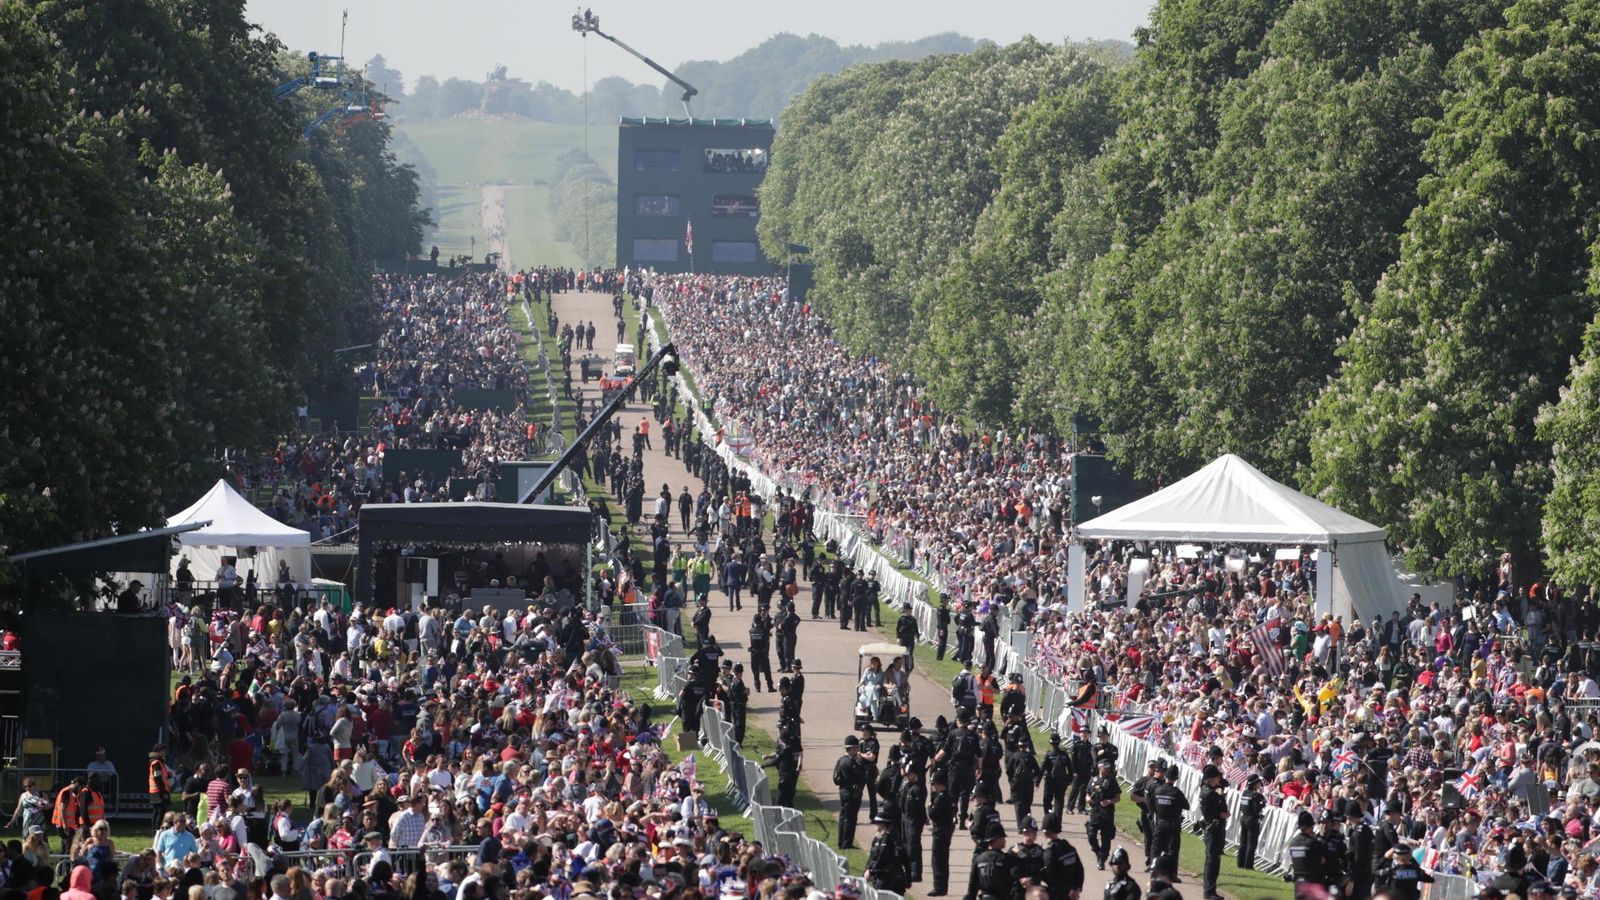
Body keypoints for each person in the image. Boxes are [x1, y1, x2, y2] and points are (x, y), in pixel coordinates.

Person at [1149, 761, 1188, 867]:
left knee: (1156, 847)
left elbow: (1151, 807)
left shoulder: (1157, 790)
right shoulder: (1177, 792)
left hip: (1160, 823)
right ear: (1176, 779)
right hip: (1173, 824)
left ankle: (1153, 867)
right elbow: (1187, 806)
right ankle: (1172, 873)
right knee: (1172, 850)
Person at [1198, 766, 1228, 900]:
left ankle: (1210, 890)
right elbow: (1222, 811)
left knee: (1212, 860)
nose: (1219, 780)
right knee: (1212, 861)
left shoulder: (1207, 790)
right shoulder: (1210, 793)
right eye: (1216, 778)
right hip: (1213, 829)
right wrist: (1221, 795)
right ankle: (1209, 891)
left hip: (1212, 828)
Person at [1042, 813, 1086, 899]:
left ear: (1045, 832)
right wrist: (1077, 888)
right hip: (1072, 893)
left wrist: (1068, 891)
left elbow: (1053, 878)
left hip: (1057, 895)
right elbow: (1079, 869)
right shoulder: (1069, 847)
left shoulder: (1049, 853)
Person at [1086, 759, 1120, 869]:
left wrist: (1109, 801)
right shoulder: (1093, 779)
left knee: (1106, 838)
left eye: (1108, 768)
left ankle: (1102, 859)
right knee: (1091, 834)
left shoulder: (1112, 781)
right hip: (1095, 812)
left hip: (1107, 813)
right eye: (1105, 767)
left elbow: (1117, 797)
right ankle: (1098, 852)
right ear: (1100, 767)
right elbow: (1087, 792)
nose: (1107, 769)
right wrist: (1087, 798)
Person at [834, 735, 866, 850]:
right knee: (850, 818)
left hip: (843, 790)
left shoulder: (840, 760)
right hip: (851, 792)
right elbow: (861, 775)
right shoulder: (851, 762)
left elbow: (836, 778)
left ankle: (841, 841)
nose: (857, 750)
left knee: (843, 817)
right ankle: (847, 843)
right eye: (856, 748)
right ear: (851, 748)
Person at [927, 768, 956, 896]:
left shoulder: (940, 798)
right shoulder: (950, 797)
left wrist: (929, 806)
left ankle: (939, 887)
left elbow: (933, 814)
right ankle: (943, 886)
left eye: (933, 783)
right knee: (944, 859)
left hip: (940, 831)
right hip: (948, 830)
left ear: (939, 784)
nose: (932, 786)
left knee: (937, 860)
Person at [864, 811, 909, 893]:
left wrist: (871, 871)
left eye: (877, 823)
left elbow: (882, 856)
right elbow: (872, 857)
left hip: (884, 876)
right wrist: (867, 869)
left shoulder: (887, 839)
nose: (876, 825)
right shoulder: (877, 839)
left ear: (883, 824)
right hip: (877, 875)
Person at [967, 821, 1012, 900]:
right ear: (996, 840)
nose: (1005, 841)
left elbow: (972, 886)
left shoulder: (979, 859)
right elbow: (1010, 883)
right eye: (1002, 838)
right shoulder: (1005, 859)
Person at [1288, 810, 1324, 896]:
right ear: (1309, 827)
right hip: (1311, 882)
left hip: (1298, 884)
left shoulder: (1293, 842)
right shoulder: (1313, 843)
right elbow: (1322, 860)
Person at [1039, 731, 1073, 820]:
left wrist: (1037, 782)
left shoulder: (1048, 754)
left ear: (1050, 743)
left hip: (1050, 781)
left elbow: (1042, 769)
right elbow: (1070, 769)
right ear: (1059, 742)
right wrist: (1069, 781)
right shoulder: (1064, 755)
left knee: (1047, 801)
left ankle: (1048, 819)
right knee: (1059, 802)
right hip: (1061, 781)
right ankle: (1057, 822)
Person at [747, 605, 776, 691]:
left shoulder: (751, 631)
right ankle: (770, 687)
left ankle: (757, 688)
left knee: (755, 671)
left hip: (754, 653)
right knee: (767, 671)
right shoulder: (763, 631)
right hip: (763, 653)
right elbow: (766, 640)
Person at [148, 743, 175, 830]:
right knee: (160, 811)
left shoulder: (159, 762)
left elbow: (161, 775)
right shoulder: (156, 763)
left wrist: (169, 775)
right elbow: (157, 777)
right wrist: (163, 791)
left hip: (156, 790)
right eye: (163, 751)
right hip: (158, 790)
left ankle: (156, 829)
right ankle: (157, 829)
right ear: (158, 751)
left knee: (157, 811)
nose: (165, 752)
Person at [896, 604, 919, 671]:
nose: (910, 611)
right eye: (909, 610)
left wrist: (917, 636)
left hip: (911, 638)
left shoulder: (913, 619)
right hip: (903, 638)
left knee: (910, 652)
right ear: (905, 610)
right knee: (904, 653)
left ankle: (911, 665)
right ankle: (905, 667)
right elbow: (897, 629)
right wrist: (898, 637)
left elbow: (915, 628)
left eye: (911, 610)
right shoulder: (901, 619)